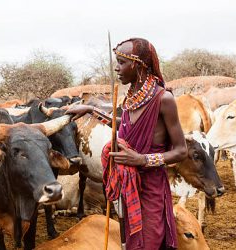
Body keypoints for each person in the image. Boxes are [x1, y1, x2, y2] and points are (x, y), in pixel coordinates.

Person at [66, 38, 187, 249]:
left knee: (149, 242)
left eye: (121, 62)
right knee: (129, 241)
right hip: (127, 184)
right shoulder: (131, 97)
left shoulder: (163, 99)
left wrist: (141, 159)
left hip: (150, 188)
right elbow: (128, 125)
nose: (116, 68)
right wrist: (92, 111)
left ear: (138, 65)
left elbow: (181, 151)